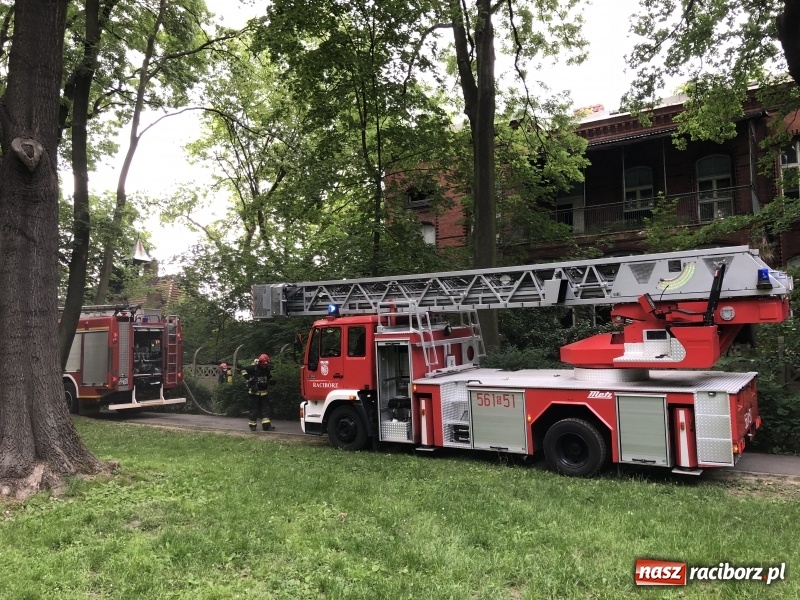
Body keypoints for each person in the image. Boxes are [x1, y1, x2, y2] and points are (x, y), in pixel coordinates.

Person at [241, 353, 274, 431]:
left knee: (266, 410)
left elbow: (267, 378)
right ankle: (252, 426)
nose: (264, 366)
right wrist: (249, 378)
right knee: (253, 410)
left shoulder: (267, 369)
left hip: (264, 393)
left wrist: (270, 382)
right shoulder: (253, 368)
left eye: (266, 364)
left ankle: (266, 426)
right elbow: (242, 369)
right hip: (253, 393)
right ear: (260, 363)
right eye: (263, 364)